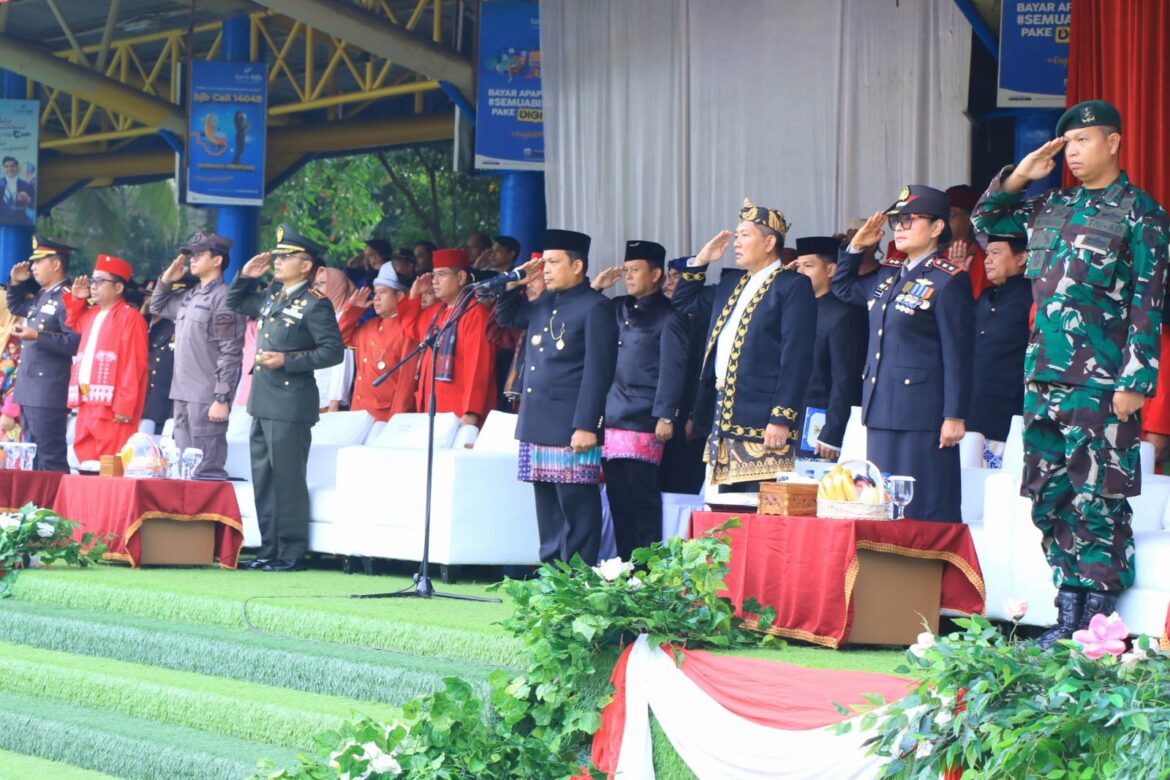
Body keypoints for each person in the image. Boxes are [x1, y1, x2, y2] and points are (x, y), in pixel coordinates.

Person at [971, 99, 1170, 644]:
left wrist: (1135, 381)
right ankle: (1067, 614)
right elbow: (987, 220)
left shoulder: (1140, 213)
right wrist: (1019, 176)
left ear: (1113, 142)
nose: (1074, 153)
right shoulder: (1051, 205)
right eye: (1069, 145)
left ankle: (1099, 624)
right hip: (1044, 378)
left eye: (1084, 141)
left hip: (1102, 383)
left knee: (1098, 498)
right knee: (1049, 493)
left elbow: (1148, 302)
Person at [833, 185, 974, 524]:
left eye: (909, 219)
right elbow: (843, 287)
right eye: (897, 220)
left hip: (923, 415)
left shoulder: (948, 280)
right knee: (881, 506)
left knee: (922, 508)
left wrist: (954, 415)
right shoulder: (889, 274)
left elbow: (959, 353)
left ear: (937, 227)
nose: (900, 227)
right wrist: (857, 247)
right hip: (881, 407)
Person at [672, 199, 816, 490]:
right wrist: (702, 260)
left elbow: (796, 358)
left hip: (763, 421)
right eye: (736, 235)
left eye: (744, 235)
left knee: (759, 506)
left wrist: (781, 417)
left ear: (769, 242)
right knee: (722, 507)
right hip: (722, 417)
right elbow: (683, 303)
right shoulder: (730, 284)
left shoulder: (792, 285)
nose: (736, 242)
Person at [495, 229, 617, 564]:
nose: (545, 270)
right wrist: (514, 283)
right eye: (544, 263)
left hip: (571, 425)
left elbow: (598, 372)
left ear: (577, 266)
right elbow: (507, 317)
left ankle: (577, 580)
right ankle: (551, 577)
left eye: (553, 262)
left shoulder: (596, 307)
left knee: (577, 509)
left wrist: (587, 425)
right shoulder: (545, 301)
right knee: (547, 510)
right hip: (538, 420)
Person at [227, 225, 344, 572]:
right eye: (277, 256)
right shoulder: (273, 295)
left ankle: (291, 552)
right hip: (263, 399)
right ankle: (268, 549)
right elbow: (234, 303)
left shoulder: (315, 304)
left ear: (306, 265)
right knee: (264, 479)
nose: (277, 261)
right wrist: (244, 277)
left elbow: (333, 351)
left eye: (285, 257)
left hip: (291, 402)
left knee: (287, 480)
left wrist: (288, 361)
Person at [592, 240, 688, 558]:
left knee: (642, 499)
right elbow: (586, 319)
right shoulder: (617, 307)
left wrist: (666, 415)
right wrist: (596, 289)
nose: (629, 276)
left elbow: (673, 370)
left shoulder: (668, 317)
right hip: (612, 413)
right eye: (627, 270)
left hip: (644, 418)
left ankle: (647, 571)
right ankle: (624, 564)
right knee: (618, 498)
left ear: (656, 274)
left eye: (636, 270)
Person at [150, 232, 246, 480]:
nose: (192, 260)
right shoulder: (190, 295)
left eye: (199, 255)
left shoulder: (224, 297)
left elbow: (230, 351)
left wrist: (222, 397)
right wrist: (166, 280)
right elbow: (157, 306)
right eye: (191, 255)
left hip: (206, 396)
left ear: (217, 260)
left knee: (206, 471)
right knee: (185, 470)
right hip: (182, 391)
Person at [63, 254, 150, 462]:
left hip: (113, 407)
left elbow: (135, 365)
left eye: (100, 281)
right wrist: (77, 299)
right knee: (86, 462)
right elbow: (73, 322)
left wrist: (125, 405)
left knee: (111, 465)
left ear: (118, 288)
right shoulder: (91, 314)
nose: (93, 286)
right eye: (92, 280)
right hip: (87, 401)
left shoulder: (131, 317)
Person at [397, 249, 496, 427]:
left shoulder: (475, 313)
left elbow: (478, 367)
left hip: (459, 411)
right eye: (434, 275)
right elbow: (409, 329)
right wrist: (414, 295)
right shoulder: (435, 312)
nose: (434, 281)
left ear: (461, 277)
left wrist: (471, 412)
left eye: (441, 275)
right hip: (430, 408)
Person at [6, 237, 80, 471]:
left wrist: (37, 336)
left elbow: (74, 342)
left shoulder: (67, 297)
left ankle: (55, 497)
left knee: (50, 457)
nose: (33, 267)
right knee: (32, 457)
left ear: (56, 264)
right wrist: (15, 283)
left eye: (39, 262)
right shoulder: (43, 294)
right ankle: (38, 497)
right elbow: (16, 307)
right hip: (30, 389)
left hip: (48, 389)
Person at [792, 236, 867, 460]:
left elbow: (845, 378)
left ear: (830, 270)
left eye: (808, 266)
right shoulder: (794, 308)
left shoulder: (843, 314)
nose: (801, 272)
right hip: (786, 419)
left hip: (818, 419)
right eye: (798, 266)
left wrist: (833, 430)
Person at [966, 235, 1032, 468]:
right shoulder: (986, 295)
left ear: (1021, 258)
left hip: (1007, 410)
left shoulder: (1033, 297)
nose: (987, 260)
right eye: (987, 253)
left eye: (996, 253)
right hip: (973, 406)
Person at [338, 263, 418, 421]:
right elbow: (339, 339)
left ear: (399, 296)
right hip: (358, 412)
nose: (376, 298)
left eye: (383, 292)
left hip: (383, 417)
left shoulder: (407, 330)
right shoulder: (369, 326)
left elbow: (406, 383)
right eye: (375, 293)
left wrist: (396, 420)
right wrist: (354, 309)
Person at [658, 257, 708, 494]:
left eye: (676, 277)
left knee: (684, 477)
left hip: (689, 406)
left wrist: (694, 415)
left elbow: (703, 370)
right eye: (668, 277)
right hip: (661, 410)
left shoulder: (701, 317)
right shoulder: (660, 313)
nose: (669, 283)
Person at [312, 266, 356, 413]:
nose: (316, 288)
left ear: (336, 287)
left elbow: (342, 365)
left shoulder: (344, 320)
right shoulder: (321, 318)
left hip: (328, 406)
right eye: (315, 284)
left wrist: (335, 402)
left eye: (322, 283)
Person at [140, 281, 178, 434]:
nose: (149, 302)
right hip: (144, 396)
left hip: (162, 398)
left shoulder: (171, 326)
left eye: (153, 297)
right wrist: (143, 315)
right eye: (147, 297)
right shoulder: (145, 322)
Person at [944, 184, 989, 299]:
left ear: (969, 219)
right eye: (943, 215)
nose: (944, 221)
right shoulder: (936, 249)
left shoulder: (976, 258)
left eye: (951, 214)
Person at [1, 156, 35, 226]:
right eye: (6, 166)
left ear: (17, 167)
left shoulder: (27, 186)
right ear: (3, 168)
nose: (9, 169)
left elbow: (34, 205)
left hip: (20, 224)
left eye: (12, 166)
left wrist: (28, 200)